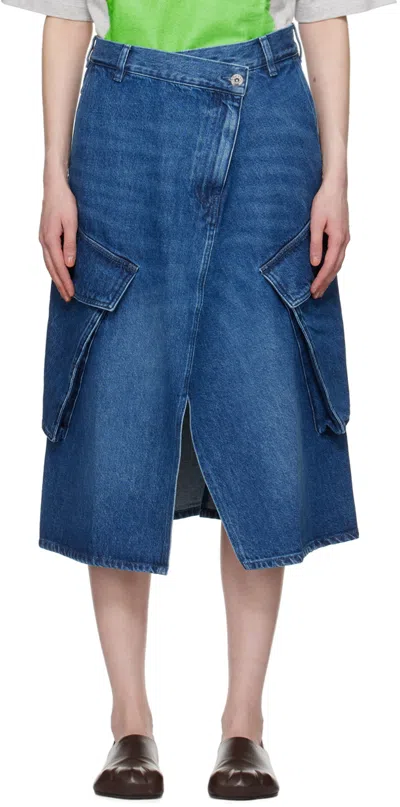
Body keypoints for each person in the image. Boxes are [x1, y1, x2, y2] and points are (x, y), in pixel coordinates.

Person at [1, 0, 395, 799]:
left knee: (262, 410)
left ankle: (244, 723)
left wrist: (337, 173)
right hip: (119, 125)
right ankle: (130, 721)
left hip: (268, 122)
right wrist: (52, 173)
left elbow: (322, 13)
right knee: (116, 407)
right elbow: (67, 14)